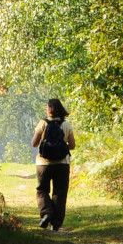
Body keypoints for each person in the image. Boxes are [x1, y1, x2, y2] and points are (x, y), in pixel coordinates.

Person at [31, 98, 76, 231]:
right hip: (62, 164)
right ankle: (56, 224)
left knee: (42, 190)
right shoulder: (66, 125)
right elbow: (72, 145)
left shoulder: (42, 123)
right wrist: (60, 147)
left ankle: (46, 214)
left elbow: (34, 143)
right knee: (60, 192)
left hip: (43, 164)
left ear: (49, 109)